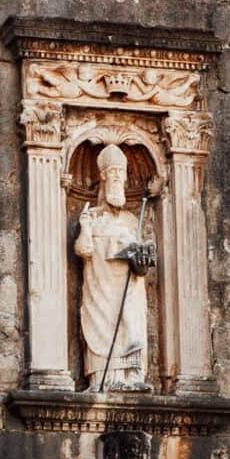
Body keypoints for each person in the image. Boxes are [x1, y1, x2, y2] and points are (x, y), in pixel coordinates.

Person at [74, 143, 155, 390]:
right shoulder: (93, 217)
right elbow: (83, 250)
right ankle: (106, 379)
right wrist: (85, 229)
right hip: (100, 287)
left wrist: (142, 260)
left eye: (121, 176)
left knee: (132, 326)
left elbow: (142, 266)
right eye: (113, 176)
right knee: (102, 327)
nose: (118, 181)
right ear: (104, 178)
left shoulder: (131, 220)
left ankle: (132, 377)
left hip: (129, 288)